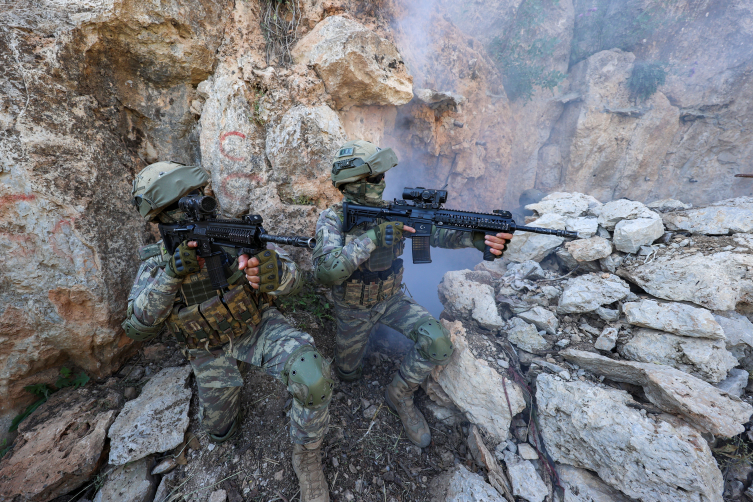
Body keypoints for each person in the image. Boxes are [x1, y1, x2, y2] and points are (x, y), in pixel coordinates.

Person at [122, 161, 332, 502]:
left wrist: (275, 274)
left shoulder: (232, 234)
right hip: (206, 347)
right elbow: (138, 327)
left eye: (197, 197)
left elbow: (293, 280)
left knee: (312, 376)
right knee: (220, 432)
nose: (195, 208)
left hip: (256, 326)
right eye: (180, 206)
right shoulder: (157, 263)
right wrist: (171, 276)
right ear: (160, 219)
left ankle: (306, 458)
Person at [312, 140, 512, 448]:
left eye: (381, 177)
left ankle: (399, 395)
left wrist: (476, 239)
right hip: (352, 307)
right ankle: (361, 350)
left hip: (392, 300)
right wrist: (373, 237)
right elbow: (326, 271)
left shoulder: (393, 213)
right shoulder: (334, 218)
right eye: (374, 178)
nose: (382, 183)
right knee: (347, 372)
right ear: (352, 184)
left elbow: (437, 232)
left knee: (439, 343)